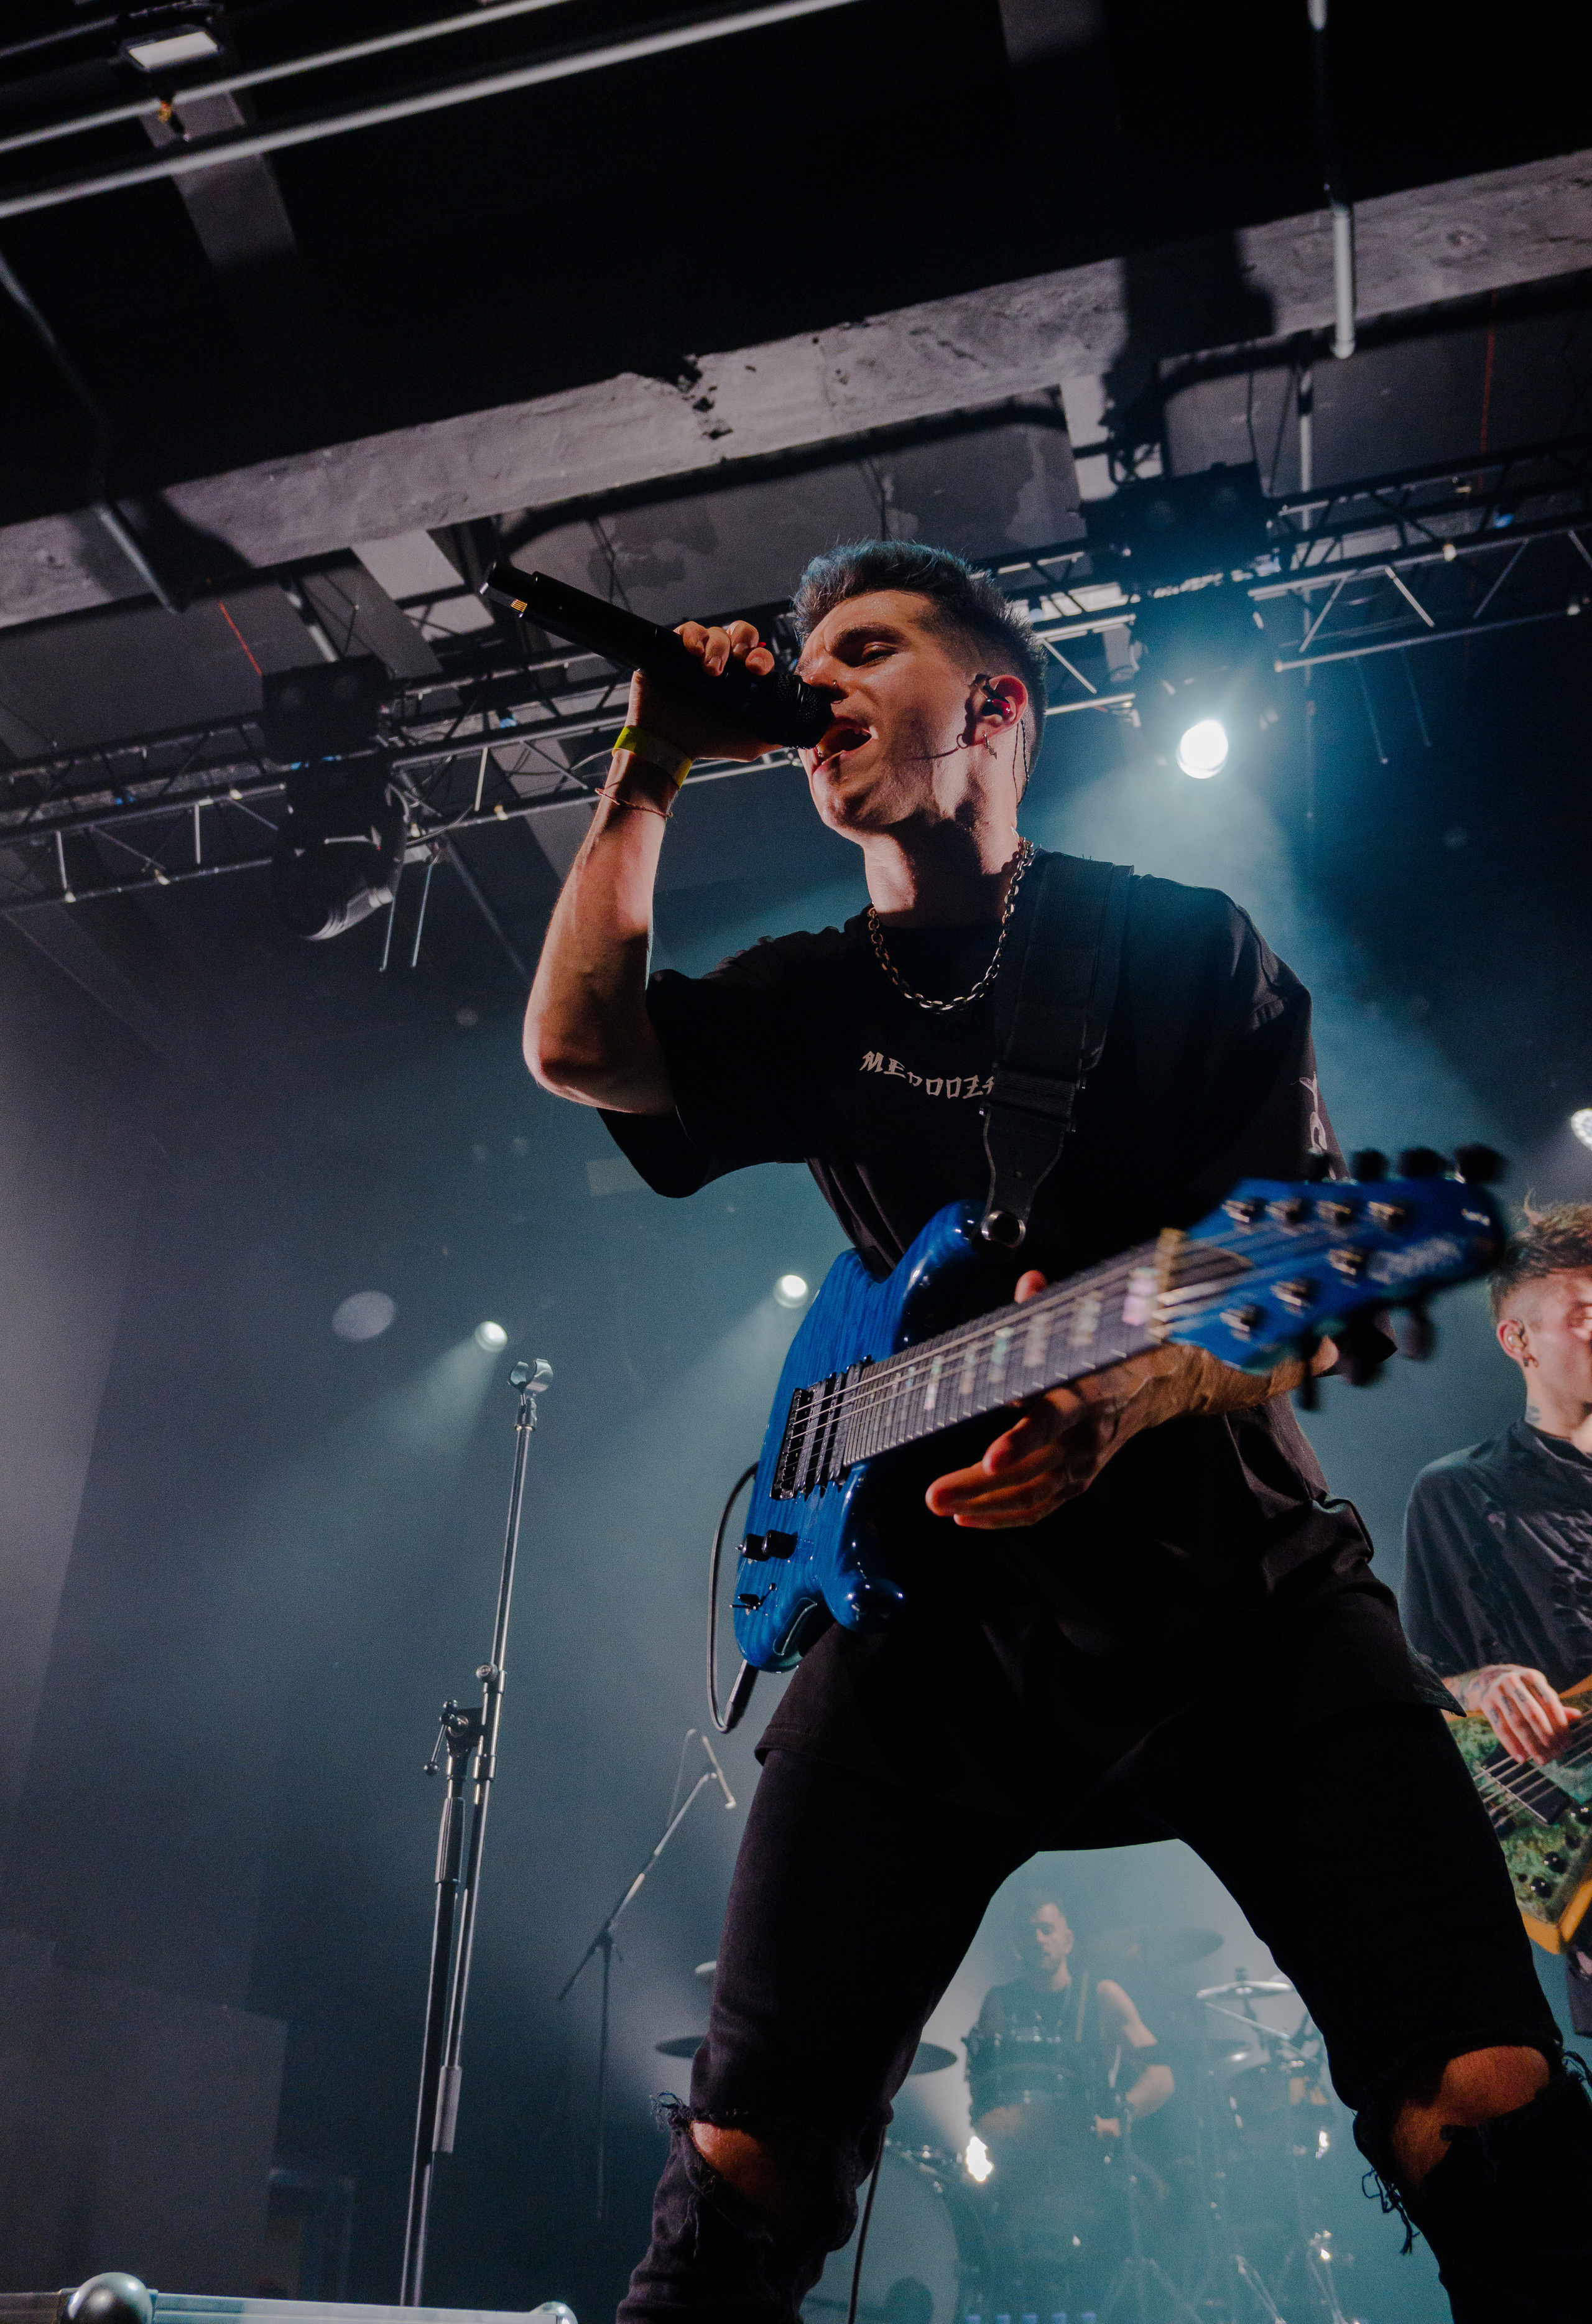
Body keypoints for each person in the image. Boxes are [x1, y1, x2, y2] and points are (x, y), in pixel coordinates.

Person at [523, 539, 1591, 2322]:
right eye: (807, 656)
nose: (819, 680)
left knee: (1482, 2099)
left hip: (1236, 1595)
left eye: (868, 648)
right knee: (744, 2165)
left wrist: (1126, 1395)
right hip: (923, 1623)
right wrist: (650, 760)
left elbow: (1305, 1288)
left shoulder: (1176, 946)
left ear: (993, 704)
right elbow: (578, 1046)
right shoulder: (812, 993)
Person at [1403, 1201, 1592, 2034]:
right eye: (1585, 1315)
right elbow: (1420, 1679)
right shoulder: (1458, 1491)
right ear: (1519, 1341)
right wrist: (1483, 1681)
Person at [967, 1889, 1174, 2314]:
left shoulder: (1100, 1996)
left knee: (1153, 2206)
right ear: (1016, 1944)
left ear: (1068, 1940)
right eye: (1029, 1932)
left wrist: (1119, 2121)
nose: (1038, 1939)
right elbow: (984, 2088)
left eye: (1047, 1929)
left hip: (1091, 2157)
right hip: (1020, 2165)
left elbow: (1162, 2075)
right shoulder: (1000, 2002)